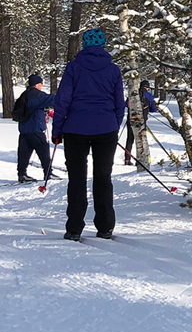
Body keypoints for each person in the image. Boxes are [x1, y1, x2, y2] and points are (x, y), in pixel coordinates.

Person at [52, 27, 126, 241]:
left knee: (77, 179)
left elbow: (63, 100)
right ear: (102, 45)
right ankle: (105, 227)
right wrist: (113, 123)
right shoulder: (113, 70)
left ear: (84, 45)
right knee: (103, 178)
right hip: (106, 129)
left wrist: (57, 130)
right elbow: (119, 103)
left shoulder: (74, 68)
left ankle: (74, 228)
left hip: (75, 129)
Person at [15, 72, 56, 183]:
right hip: (36, 129)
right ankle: (48, 173)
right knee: (44, 151)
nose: (41, 85)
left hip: (24, 130)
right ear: (37, 84)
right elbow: (52, 99)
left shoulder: (24, 94)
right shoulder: (38, 95)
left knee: (24, 153)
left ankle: (22, 174)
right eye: (41, 83)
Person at [124, 79, 159, 165]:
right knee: (140, 140)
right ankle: (140, 160)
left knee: (130, 139)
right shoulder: (148, 96)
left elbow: (126, 104)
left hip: (130, 120)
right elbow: (154, 109)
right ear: (147, 87)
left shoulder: (133, 94)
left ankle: (127, 159)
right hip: (141, 121)